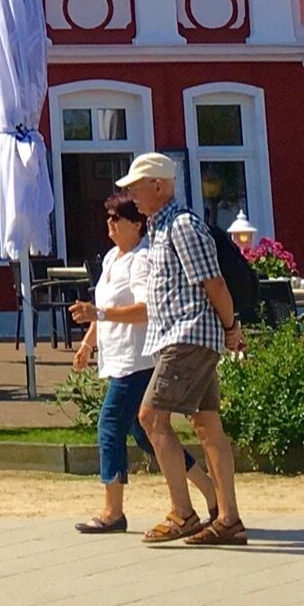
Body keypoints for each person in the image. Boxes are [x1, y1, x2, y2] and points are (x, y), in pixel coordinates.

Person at [118, 151, 247, 547]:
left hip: (188, 337)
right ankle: (228, 519)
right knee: (208, 426)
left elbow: (215, 284)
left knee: (151, 417)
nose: (131, 196)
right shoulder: (158, 229)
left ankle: (183, 513)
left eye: (136, 187)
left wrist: (231, 328)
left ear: (158, 185)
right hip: (182, 337)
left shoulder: (183, 227)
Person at [66, 194, 176, 534]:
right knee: (147, 437)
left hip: (138, 360)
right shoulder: (113, 257)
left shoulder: (142, 260)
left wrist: (97, 314)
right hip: (117, 360)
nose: (110, 224)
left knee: (109, 426)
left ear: (137, 224)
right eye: (108, 217)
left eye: (118, 218)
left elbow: (145, 308)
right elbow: (104, 307)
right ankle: (207, 489)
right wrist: (87, 343)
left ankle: (113, 511)